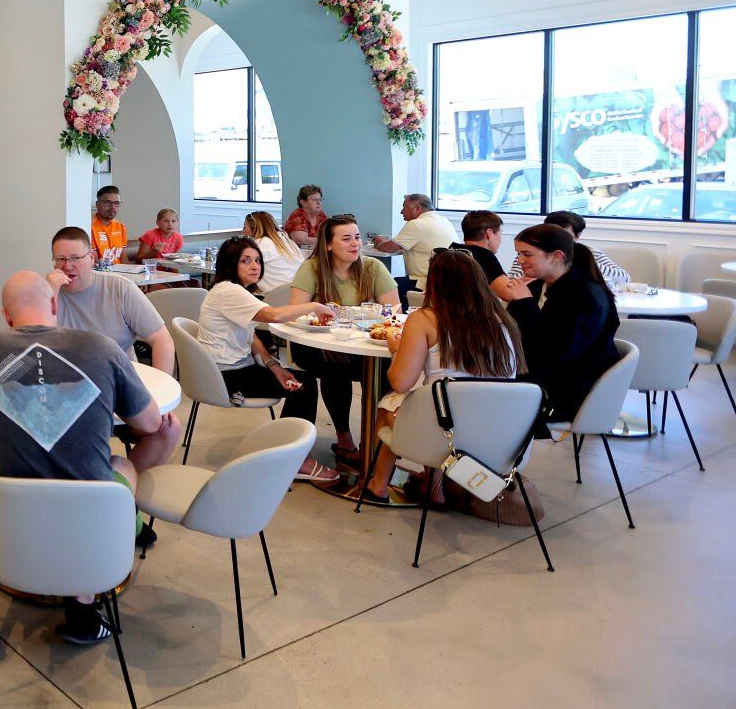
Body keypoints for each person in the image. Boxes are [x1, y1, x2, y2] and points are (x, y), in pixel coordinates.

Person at [0, 271, 182, 651]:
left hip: (8, 501)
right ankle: (84, 609)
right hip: (88, 502)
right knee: (122, 464)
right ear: (55, 305)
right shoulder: (102, 348)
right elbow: (151, 423)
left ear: (6, 316)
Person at [361, 250, 525, 503]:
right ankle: (432, 487)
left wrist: (396, 350)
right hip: (499, 430)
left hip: (445, 431)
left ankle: (378, 485)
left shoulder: (425, 319)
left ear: (435, 283)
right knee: (435, 406)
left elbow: (401, 382)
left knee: (391, 404)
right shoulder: (503, 321)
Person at [195, 236, 345, 486]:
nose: (255, 266)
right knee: (305, 384)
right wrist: (314, 305)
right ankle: (296, 459)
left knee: (297, 378)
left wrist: (273, 366)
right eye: (245, 261)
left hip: (233, 368)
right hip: (226, 377)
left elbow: (250, 334)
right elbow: (274, 315)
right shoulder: (229, 292)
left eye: (257, 260)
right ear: (230, 264)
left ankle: (288, 450)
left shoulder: (233, 291)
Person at [285, 214, 398, 465]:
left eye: (357, 237)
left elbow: (394, 310)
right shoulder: (312, 269)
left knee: (386, 370)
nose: (355, 244)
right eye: (346, 239)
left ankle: (376, 441)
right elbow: (295, 312)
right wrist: (317, 309)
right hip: (316, 345)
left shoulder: (372, 267)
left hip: (364, 345)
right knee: (336, 368)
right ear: (328, 244)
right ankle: (344, 437)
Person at [498, 222, 620, 425]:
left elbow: (556, 350)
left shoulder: (585, 295)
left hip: (571, 391)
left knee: (479, 398)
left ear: (556, 256)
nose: (520, 261)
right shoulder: (538, 287)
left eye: (527, 254)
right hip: (543, 377)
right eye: (519, 254)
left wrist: (525, 304)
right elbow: (514, 334)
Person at [47, 226, 173, 373]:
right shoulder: (46, 292)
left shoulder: (120, 288)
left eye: (75, 258)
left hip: (119, 381)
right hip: (65, 383)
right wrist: (48, 297)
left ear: (91, 259)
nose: (67, 266)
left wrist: (158, 392)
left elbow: (162, 340)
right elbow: (29, 350)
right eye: (61, 259)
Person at [507, 210, 630, 287]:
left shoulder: (591, 253)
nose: (557, 241)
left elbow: (625, 278)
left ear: (577, 236)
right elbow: (511, 279)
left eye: (564, 236)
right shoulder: (531, 253)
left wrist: (586, 263)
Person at [372, 193, 455, 306]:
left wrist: (378, 242)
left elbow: (390, 247)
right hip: (447, 282)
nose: (401, 212)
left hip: (423, 282)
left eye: (404, 207)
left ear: (417, 208)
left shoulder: (416, 224)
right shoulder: (444, 221)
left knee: (385, 286)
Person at [243, 210, 302, 289]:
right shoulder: (289, 242)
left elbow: (241, 268)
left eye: (245, 227)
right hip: (290, 292)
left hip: (268, 296)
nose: (242, 231)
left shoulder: (261, 243)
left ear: (254, 229)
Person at [90, 185, 129, 265]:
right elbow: (95, 264)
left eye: (116, 203)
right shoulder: (89, 226)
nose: (113, 207)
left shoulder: (121, 227)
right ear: (97, 204)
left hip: (120, 273)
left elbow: (124, 260)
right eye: (108, 203)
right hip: (102, 274)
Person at [284, 184, 325, 250]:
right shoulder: (297, 216)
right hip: (297, 255)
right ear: (303, 203)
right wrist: (326, 241)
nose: (319, 203)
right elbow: (301, 240)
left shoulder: (320, 215)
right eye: (314, 200)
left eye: (320, 199)